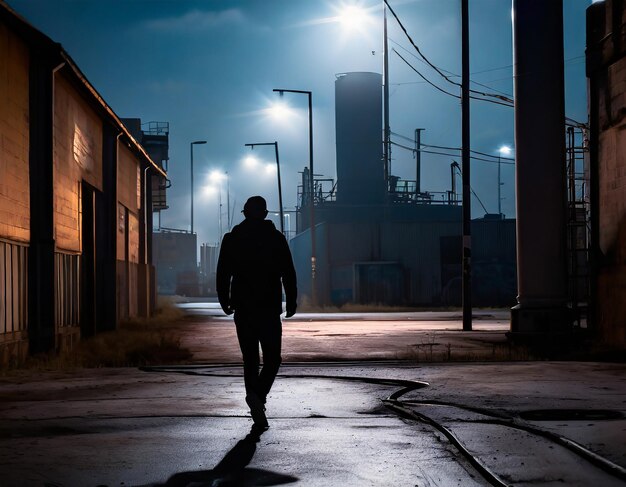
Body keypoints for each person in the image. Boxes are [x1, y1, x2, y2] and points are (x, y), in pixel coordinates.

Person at [216, 195, 297, 429]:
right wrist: (291, 301)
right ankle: (258, 397)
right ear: (264, 213)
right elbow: (288, 273)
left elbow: (223, 273)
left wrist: (224, 300)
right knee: (273, 359)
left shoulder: (233, 239)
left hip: (244, 307)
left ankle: (256, 402)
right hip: (268, 308)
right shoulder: (276, 238)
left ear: (244, 213)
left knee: (250, 360)